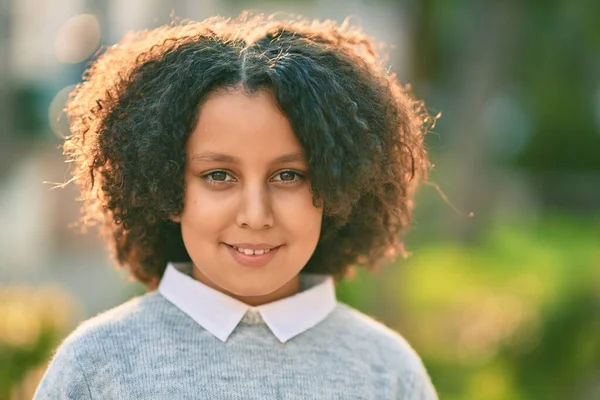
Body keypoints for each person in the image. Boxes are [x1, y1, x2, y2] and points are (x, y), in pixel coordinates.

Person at [34, 12, 438, 399]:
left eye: (288, 176)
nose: (255, 216)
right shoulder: (96, 366)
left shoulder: (388, 371)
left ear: (338, 188)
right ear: (167, 187)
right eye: (219, 176)